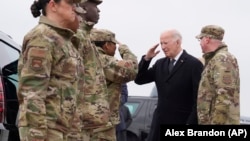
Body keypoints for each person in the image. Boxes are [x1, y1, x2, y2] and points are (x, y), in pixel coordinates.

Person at [17, 0, 84, 141]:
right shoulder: (42, 37)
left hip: (63, 131)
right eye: (71, 3)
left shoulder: (64, 40)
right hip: (47, 130)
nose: (75, 9)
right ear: (53, 5)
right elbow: (32, 94)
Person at [134, 29, 203, 141]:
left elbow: (198, 100)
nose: (162, 47)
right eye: (161, 43)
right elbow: (139, 80)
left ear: (178, 42)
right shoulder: (160, 63)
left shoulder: (193, 65)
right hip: (158, 124)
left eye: (165, 43)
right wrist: (147, 59)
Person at [90, 28, 138, 140]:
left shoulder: (82, 58)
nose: (116, 48)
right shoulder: (104, 61)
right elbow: (132, 71)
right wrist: (125, 50)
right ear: (106, 45)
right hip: (101, 123)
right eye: (114, 44)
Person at [76, 0, 112, 141]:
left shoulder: (86, 37)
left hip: (91, 121)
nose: (99, 11)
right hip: (79, 122)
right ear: (83, 8)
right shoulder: (76, 36)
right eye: (95, 6)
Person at [195, 25, 240, 124]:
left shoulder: (222, 59)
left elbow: (225, 96)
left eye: (200, 40)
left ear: (206, 39)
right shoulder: (214, 59)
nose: (200, 43)